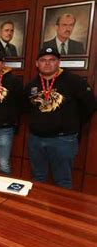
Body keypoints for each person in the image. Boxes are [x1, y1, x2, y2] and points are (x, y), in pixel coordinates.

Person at [25, 47, 95, 189]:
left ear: (59, 62)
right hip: (36, 140)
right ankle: (38, 210)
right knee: (37, 178)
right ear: (37, 64)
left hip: (63, 140)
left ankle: (60, 211)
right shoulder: (32, 85)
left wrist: (72, 123)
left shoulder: (74, 81)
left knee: (62, 181)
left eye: (52, 60)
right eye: (43, 60)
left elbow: (90, 105)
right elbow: (26, 108)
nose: (47, 63)